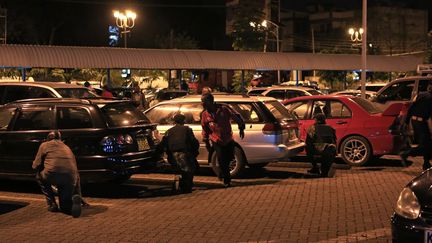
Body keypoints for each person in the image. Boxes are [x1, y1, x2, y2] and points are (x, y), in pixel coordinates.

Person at [32, 131, 82, 218]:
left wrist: (39, 167)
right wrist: (79, 194)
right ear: (60, 138)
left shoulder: (44, 145)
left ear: (48, 138)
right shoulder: (66, 147)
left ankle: (52, 204)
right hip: (71, 177)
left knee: (39, 176)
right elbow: (76, 173)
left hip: (53, 175)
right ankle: (70, 205)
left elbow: (36, 165)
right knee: (64, 206)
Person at [201, 93, 245, 187]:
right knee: (221, 159)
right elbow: (205, 127)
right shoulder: (204, 114)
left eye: (204, 102)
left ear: (211, 102)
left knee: (229, 158)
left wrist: (241, 128)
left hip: (228, 138)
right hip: (216, 139)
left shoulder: (224, 110)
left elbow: (236, 117)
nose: (202, 104)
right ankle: (227, 180)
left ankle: (221, 172)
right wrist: (205, 140)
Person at [159, 114, 199, 193]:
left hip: (172, 157)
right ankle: (186, 186)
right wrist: (194, 153)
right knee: (190, 168)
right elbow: (194, 143)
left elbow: (163, 144)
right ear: (183, 121)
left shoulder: (169, 131)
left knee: (179, 170)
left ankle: (179, 184)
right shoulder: (187, 130)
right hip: (184, 155)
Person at [400, 82, 432, 170]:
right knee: (424, 145)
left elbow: (411, 107)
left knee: (427, 143)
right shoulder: (428, 97)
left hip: (416, 122)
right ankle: (406, 153)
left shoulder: (420, 95)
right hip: (420, 123)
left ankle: (426, 163)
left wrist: (406, 122)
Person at [305, 113, 337, 177]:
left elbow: (308, 141)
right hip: (329, 149)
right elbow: (334, 140)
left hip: (316, 150)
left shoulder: (312, 128)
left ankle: (315, 167)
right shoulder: (330, 128)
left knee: (307, 147)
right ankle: (323, 170)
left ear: (317, 120)